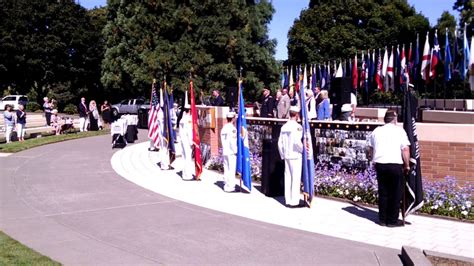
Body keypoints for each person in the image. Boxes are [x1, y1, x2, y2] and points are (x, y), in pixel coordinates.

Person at [368, 110, 410, 227]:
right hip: (395, 164)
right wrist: (407, 165)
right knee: (395, 193)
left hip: (380, 164)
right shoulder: (399, 131)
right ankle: (392, 220)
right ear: (394, 119)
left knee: (383, 192)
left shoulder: (377, 131)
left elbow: (371, 148)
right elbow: (405, 149)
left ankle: (382, 219)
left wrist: (373, 160)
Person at [278, 106, 304, 207]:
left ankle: (287, 199)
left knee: (288, 177)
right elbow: (297, 142)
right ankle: (294, 201)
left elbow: (280, 143)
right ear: (297, 114)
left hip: (287, 155)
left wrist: (283, 154)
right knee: (295, 178)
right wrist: (303, 151)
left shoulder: (284, 127)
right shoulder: (297, 127)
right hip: (295, 155)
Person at [220, 111, 238, 192]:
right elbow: (232, 141)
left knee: (226, 168)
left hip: (225, 150)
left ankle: (226, 184)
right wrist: (236, 150)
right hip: (231, 152)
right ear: (233, 119)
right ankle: (230, 186)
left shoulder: (224, 127)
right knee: (231, 169)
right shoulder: (232, 129)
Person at [179, 96, 194, 180]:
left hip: (182, 140)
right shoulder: (188, 119)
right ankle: (188, 175)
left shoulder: (182, 119)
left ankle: (185, 174)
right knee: (188, 158)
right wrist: (191, 142)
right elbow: (189, 132)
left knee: (184, 157)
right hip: (187, 141)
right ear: (190, 110)